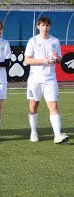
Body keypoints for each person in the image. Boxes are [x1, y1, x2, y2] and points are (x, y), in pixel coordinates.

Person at [24, 16, 69, 144]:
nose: (45, 27)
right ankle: (33, 132)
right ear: (38, 26)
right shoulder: (32, 41)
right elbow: (27, 60)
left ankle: (57, 135)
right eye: (43, 25)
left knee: (53, 105)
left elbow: (60, 59)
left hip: (50, 79)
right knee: (33, 106)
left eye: (47, 25)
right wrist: (43, 60)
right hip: (35, 79)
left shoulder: (55, 41)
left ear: (50, 26)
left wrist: (57, 58)